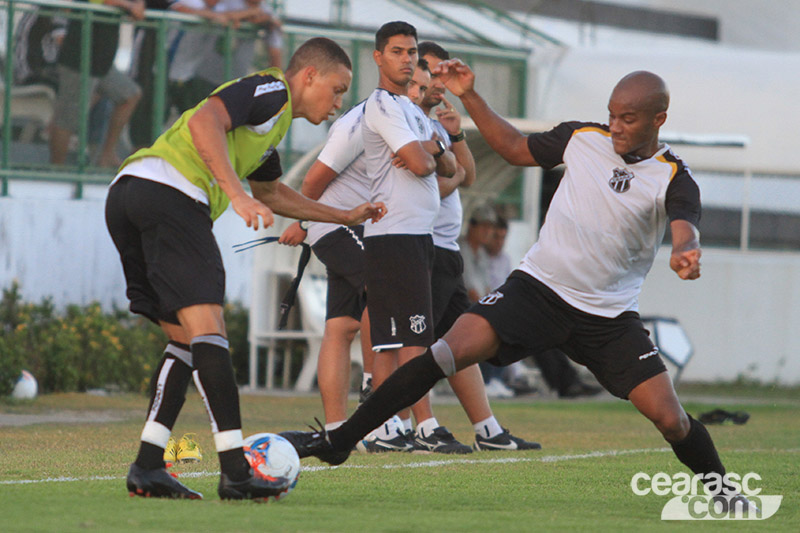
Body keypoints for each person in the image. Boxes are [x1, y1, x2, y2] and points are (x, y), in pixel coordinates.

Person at [287, 65, 748, 508]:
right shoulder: (582, 138)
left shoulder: (673, 175)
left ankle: (725, 490)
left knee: (671, 419)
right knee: (444, 353)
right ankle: (340, 440)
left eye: (627, 119)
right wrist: (469, 95)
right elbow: (512, 147)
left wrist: (685, 250)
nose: (616, 126)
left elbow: (685, 222)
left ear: (658, 119)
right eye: (612, 114)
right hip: (537, 290)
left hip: (607, 317)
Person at [106, 37, 385, 500]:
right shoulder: (272, 92)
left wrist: (343, 215)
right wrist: (235, 193)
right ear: (309, 75)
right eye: (336, 89)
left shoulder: (268, 130)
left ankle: (149, 466)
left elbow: (273, 194)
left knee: (186, 341)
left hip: (130, 195)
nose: (338, 103)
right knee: (211, 330)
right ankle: (236, 471)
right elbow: (204, 119)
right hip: (171, 195)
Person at [356, 21, 476, 454]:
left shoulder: (413, 114)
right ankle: (400, 426)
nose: (406, 59)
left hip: (416, 239)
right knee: (406, 341)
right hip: (394, 235)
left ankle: (392, 427)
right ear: (378, 57)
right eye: (399, 52)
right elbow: (427, 168)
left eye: (411, 52)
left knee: (405, 340)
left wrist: (436, 149)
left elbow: (451, 168)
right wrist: (431, 155)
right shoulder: (384, 106)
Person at [415, 41, 539, 450]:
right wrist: (447, 173)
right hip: (420, 245)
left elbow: (464, 176)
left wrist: (455, 135)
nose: (439, 82)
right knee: (417, 342)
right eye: (432, 72)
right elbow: (431, 179)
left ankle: (487, 428)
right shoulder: (402, 118)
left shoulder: (435, 122)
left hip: (445, 249)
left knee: (457, 345)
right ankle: (422, 425)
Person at [277, 95, 375, 434]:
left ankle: (336, 427)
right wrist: (305, 223)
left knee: (341, 327)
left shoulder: (407, 119)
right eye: (335, 89)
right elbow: (312, 182)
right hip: (343, 228)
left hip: (350, 228)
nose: (335, 100)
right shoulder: (361, 120)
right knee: (384, 293)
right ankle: (375, 398)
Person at [485, 216, 602, 399]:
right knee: (538, 335)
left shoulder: (504, 259)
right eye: (496, 237)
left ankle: (568, 381)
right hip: (492, 309)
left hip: (507, 307)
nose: (499, 242)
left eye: (503, 238)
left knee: (547, 333)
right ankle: (565, 383)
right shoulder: (481, 258)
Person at [50, 0, 145, 167]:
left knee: (130, 94)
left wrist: (137, 4)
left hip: (102, 60)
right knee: (68, 119)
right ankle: (56, 169)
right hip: (79, 57)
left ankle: (106, 156)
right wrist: (129, 6)